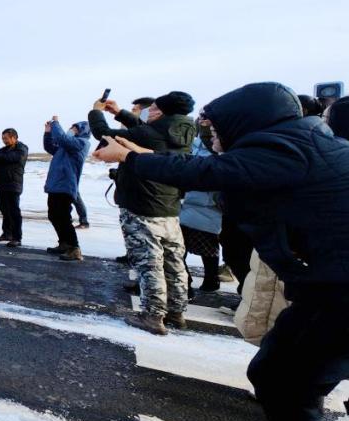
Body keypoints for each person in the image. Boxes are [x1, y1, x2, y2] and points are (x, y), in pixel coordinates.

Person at [94, 82, 349, 421]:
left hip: (337, 292)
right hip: (325, 287)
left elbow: (205, 173)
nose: (208, 135)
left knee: (280, 380)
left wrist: (132, 159)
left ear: (245, 119)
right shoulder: (303, 141)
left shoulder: (285, 149)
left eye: (214, 127)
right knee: (289, 375)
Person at [89, 92, 196, 335]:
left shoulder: (149, 133)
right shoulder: (185, 131)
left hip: (141, 204)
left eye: (153, 108)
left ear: (160, 112)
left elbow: (102, 133)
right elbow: (147, 131)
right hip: (169, 206)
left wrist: (96, 111)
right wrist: (120, 113)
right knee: (173, 261)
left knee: (149, 263)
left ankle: (153, 315)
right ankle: (177, 312)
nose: (148, 112)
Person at [179, 124, 222, 293]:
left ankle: (207, 279)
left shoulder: (217, 149)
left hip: (207, 204)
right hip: (192, 202)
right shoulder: (195, 145)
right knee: (185, 245)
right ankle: (206, 279)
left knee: (206, 247)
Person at [42, 118, 90, 262]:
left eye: (75, 128)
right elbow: (50, 147)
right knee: (53, 215)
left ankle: (75, 248)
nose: (71, 129)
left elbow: (63, 139)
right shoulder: (65, 147)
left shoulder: (82, 143)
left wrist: (56, 123)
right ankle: (64, 243)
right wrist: (47, 133)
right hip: (55, 185)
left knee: (63, 217)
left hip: (66, 185)